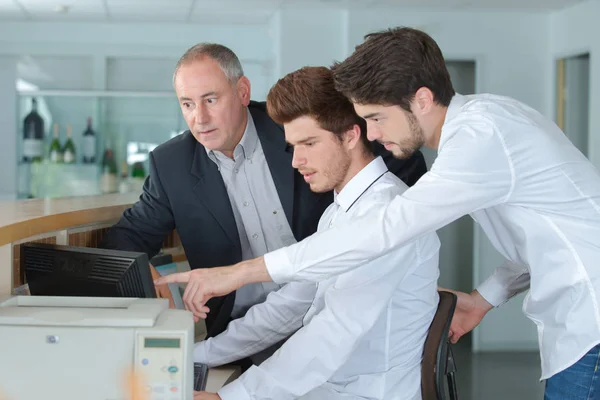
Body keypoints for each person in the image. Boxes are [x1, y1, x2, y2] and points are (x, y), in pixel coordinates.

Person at [156, 28, 600, 399]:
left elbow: (385, 232)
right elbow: (542, 237)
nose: (370, 132)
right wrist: (485, 299)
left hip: (589, 320)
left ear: (421, 99)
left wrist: (239, 275)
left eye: (375, 117)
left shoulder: (477, 139)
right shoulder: (480, 134)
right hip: (575, 318)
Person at [100, 43, 427, 343]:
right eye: (187, 104)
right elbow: (127, 237)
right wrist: (145, 274)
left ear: (242, 91)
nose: (199, 118)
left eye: (211, 100)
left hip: (325, 314)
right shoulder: (171, 164)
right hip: (241, 332)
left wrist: (400, 259)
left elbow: (399, 159)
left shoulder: (294, 126)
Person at [191, 66, 440, 400]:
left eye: (309, 143)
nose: (296, 161)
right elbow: (290, 304)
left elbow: (333, 332)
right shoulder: (338, 212)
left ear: (351, 136)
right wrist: (198, 355)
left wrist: (231, 397)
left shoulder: (386, 214)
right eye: (293, 145)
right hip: (331, 387)